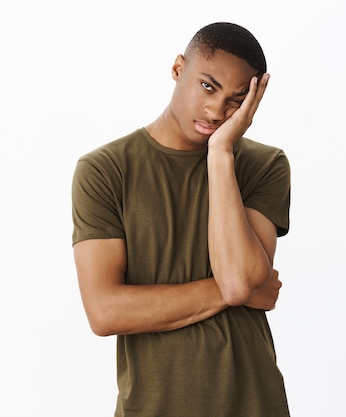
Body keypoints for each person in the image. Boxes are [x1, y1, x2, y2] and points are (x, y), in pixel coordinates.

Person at [71, 22, 291, 416]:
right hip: (152, 407)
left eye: (236, 101)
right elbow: (105, 312)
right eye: (208, 86)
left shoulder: (264, 166)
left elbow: (241, 280)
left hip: (254, 404)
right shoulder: (105, 171)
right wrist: (234, 290)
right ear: (178, 69)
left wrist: (221, 153)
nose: (216, 110)